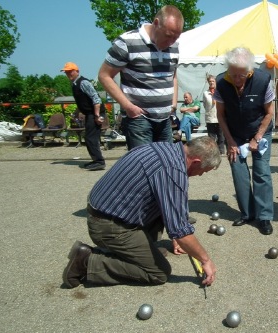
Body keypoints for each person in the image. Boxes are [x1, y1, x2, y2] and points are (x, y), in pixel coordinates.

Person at [62, 136, 221, 288]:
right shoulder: (173, 171)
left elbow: (173, 207)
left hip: (105, 211)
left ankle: (139, 251)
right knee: (158, 272)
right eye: (203, 171)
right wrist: (205, 260)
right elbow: (180, 230)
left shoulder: (166, 149)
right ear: (196, 161)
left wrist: (177, 234)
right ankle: (86, 262)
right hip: (107, 226)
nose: (200, 174)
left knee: (168, 212)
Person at [98, 5, 183, 150]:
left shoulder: (174, 46)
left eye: (176, 37)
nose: (171, 42)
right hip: (139, 119)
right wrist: (128, 106)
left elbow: (172, 75)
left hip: (164, 119)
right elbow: (104, 75)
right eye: (168, 36)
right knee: (144, 165)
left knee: (166, 163)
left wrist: (173, 104)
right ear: (156, 23)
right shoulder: (127, 42)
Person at [214, 47, 275, 235]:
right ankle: (248, 213)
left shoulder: (263, 80)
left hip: (260, 131)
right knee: (238, 171)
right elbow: (221, 116)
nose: (238, 80)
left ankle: (264, 217)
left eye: (242, 75)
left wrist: (257, 138)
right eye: (233, 75)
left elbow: (269, 113)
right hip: (236, 134)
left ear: (250, 71)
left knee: (261, 172)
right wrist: (230, 142)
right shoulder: (221, 82)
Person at [62, 62, 106, 171]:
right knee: (90, 137)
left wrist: (96, 116)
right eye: (66, 72)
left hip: (94, 113)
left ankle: (99, 161)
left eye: (70, 71)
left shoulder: (83, 82)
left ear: (77, 71)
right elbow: (82, 101)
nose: (68, 74)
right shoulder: (75, 84)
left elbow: (96, 99)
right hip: (90, 113)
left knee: (91, 138)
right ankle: (96, 160)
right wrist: (77, 112)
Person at [203, 75, 226, 154]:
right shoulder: (205, 93)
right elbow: (205, 105)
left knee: (221, 135)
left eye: (213, 81)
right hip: (210, 117)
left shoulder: (220, 92)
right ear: (208, 82)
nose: (211, 83)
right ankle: (212, 151)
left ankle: (221, 151)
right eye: (210, 81)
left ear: (215, 82)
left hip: (220, 117)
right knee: (211, 136)